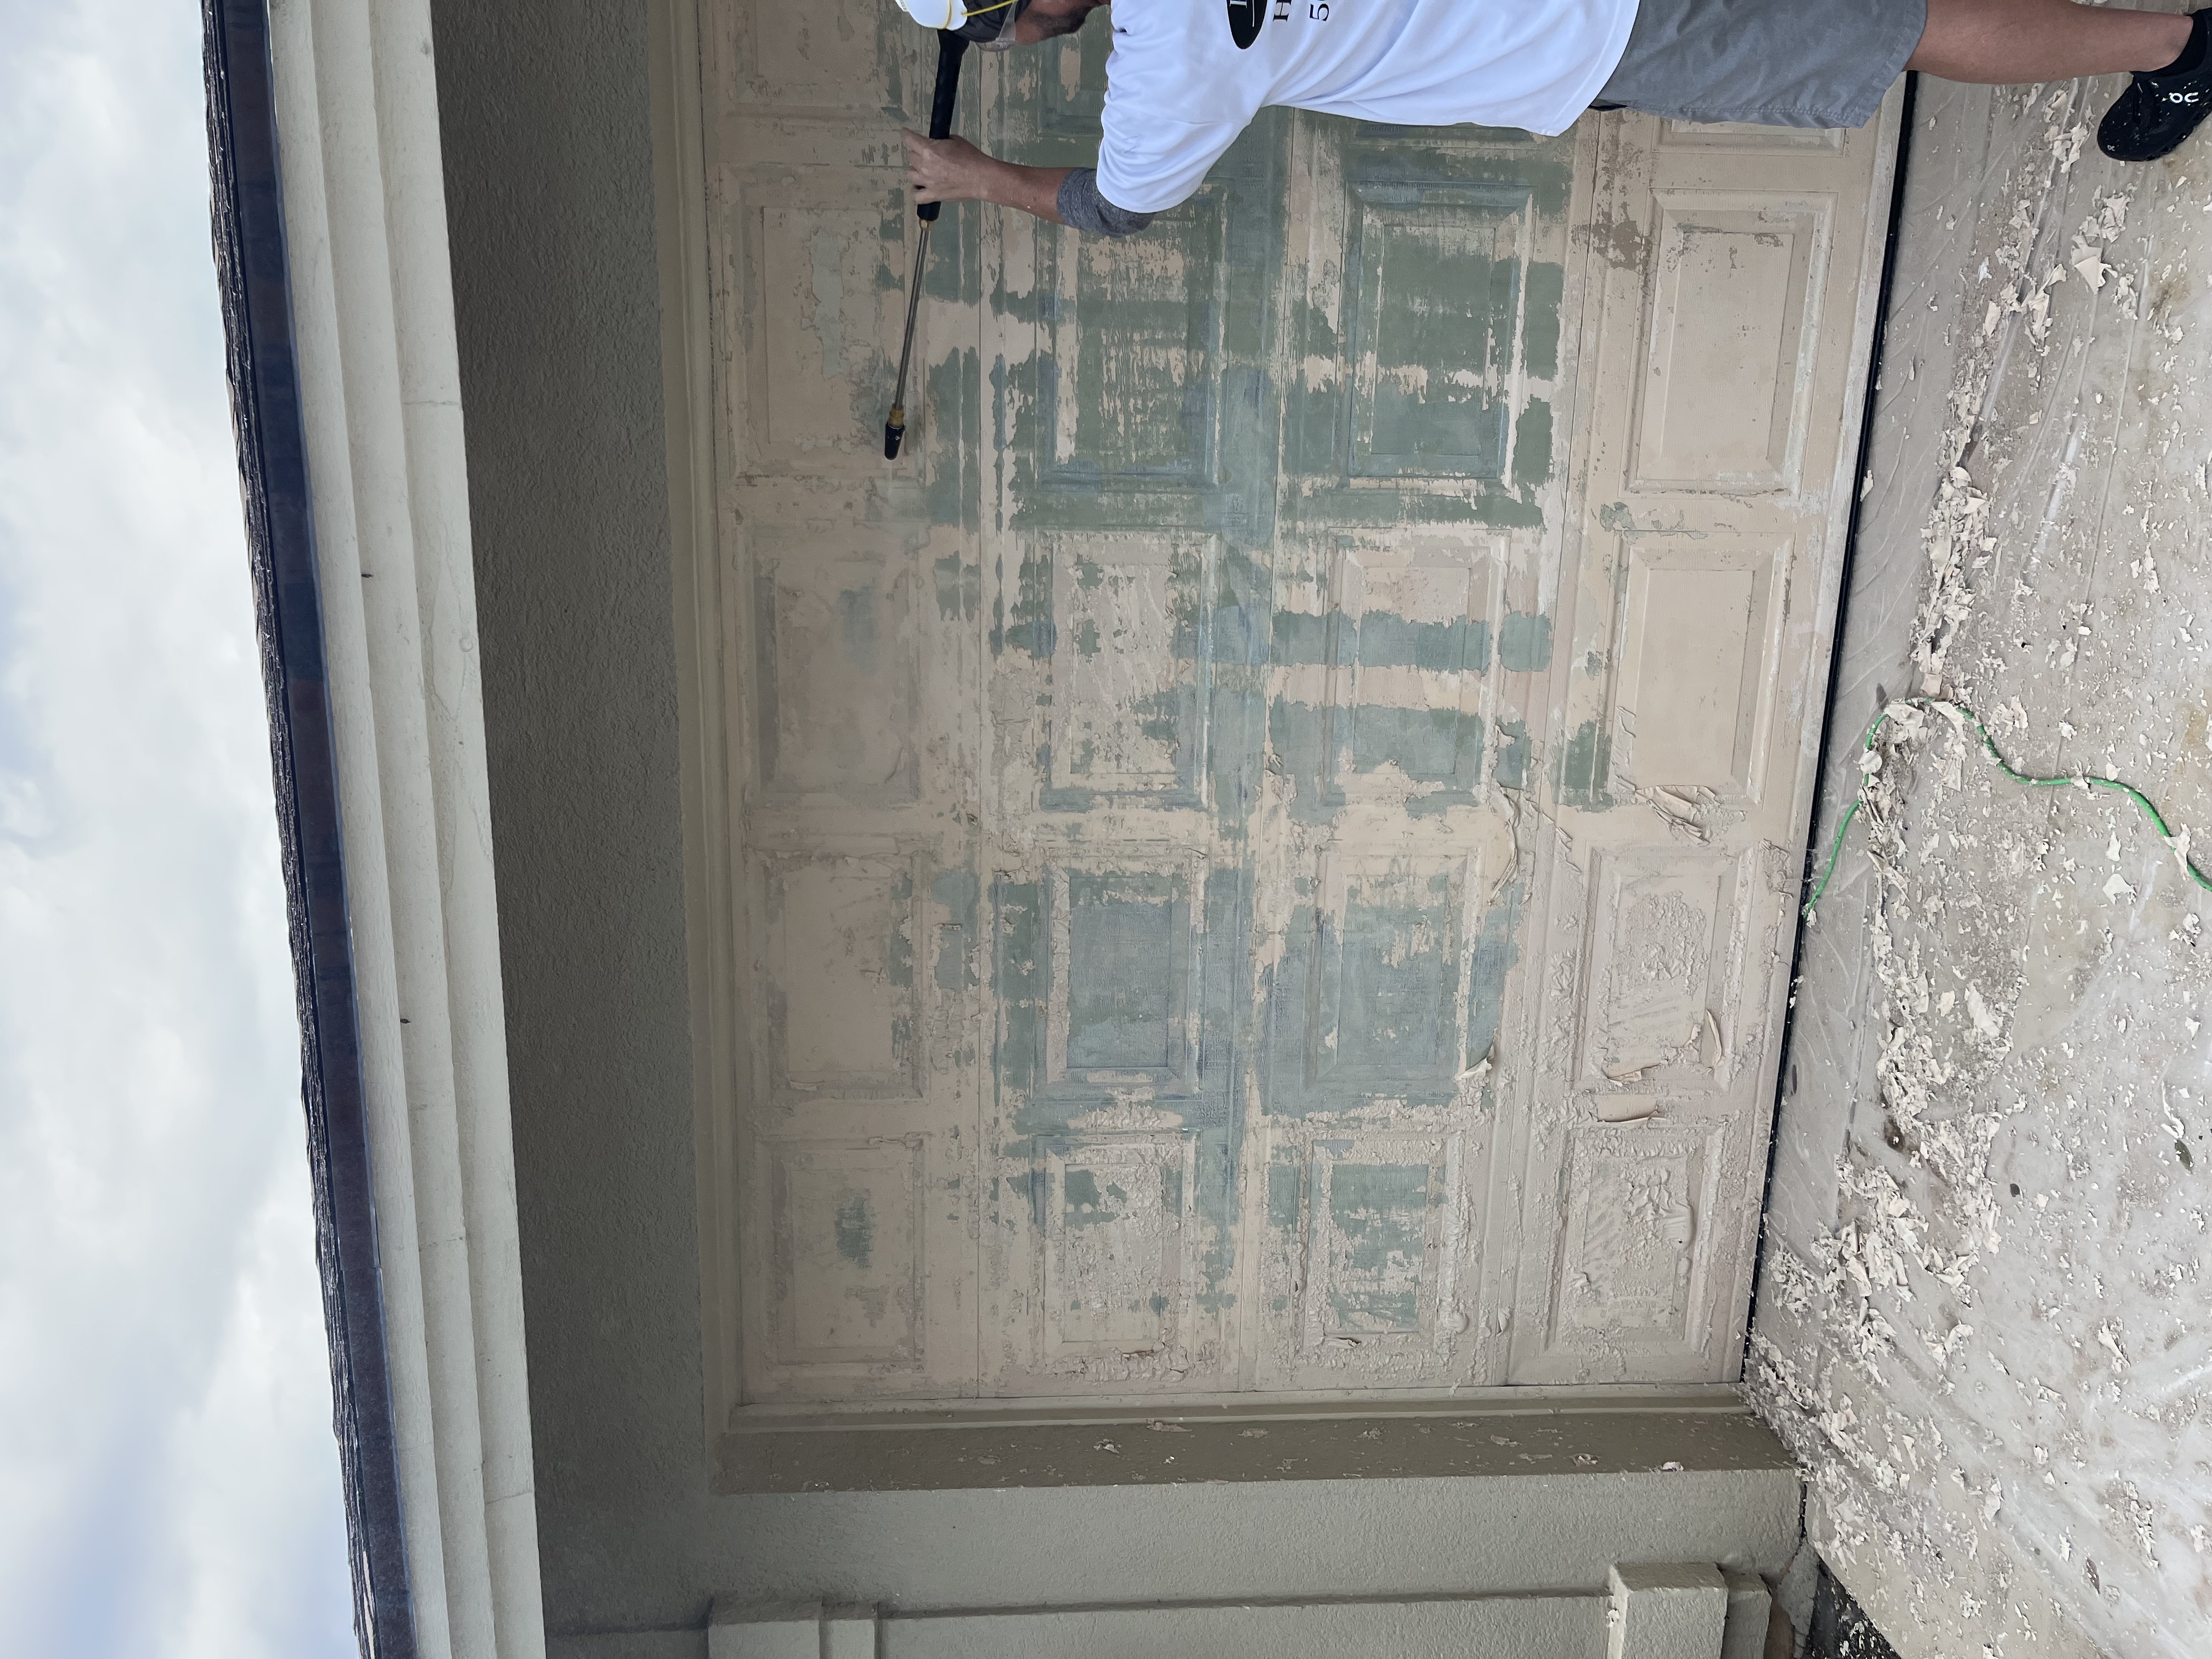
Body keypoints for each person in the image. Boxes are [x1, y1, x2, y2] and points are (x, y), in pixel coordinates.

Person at [894, 0, 2212, 239]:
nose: (1007, 46)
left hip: (1589, 27)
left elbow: (1117, 206)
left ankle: (2181, 45)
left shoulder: (1175, 65)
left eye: (993, 27)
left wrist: (977, 173)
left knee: (1886, 28)